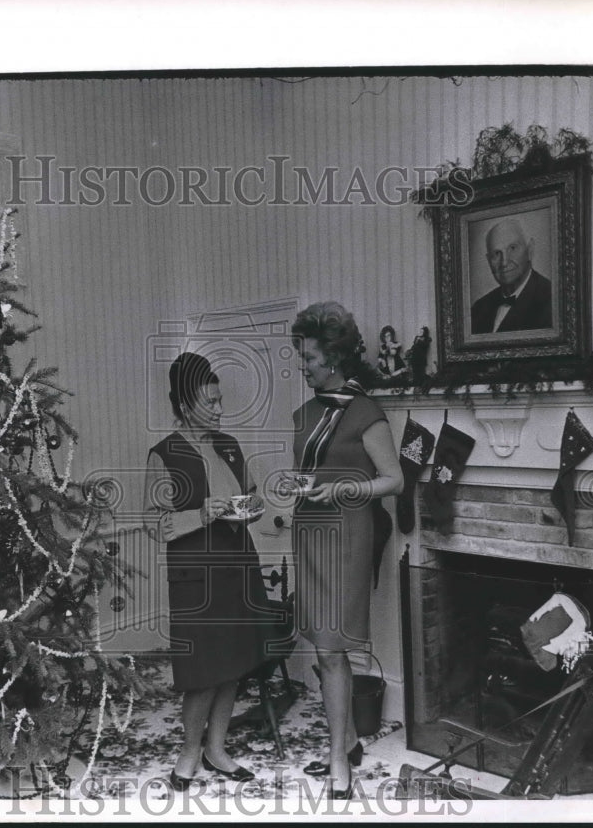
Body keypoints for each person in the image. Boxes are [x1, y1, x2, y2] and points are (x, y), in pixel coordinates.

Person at [285, 302, 404, 799]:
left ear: (333, 357)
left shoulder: (365, 412)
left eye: (309, 357)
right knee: (321, 644)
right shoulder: (305, 413)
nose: (303, 365)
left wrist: (339, 490)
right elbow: (317, 475)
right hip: (310, 535)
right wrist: (301, 486)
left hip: (348, 537)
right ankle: (349, 739)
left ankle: (338, 759)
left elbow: (393, 481)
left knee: (332, 651)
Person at [143, 352, 271, 790]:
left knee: (233, 666)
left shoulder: (229, 446)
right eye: (210, 402)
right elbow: (154, 525)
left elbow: (252, 500)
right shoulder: (163, 455)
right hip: (196, 580)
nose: (219, 409)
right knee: (201, 675)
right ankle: (188, 752)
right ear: (183, 405)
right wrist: (201, 514)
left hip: (237, 570)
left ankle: (217, 750)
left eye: (219, 400)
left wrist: (250, 510)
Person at [470, 218, 552, 334]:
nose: (504, 262)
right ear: (488, 260)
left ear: (530, 250)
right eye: (497, 253)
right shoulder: (478, 309)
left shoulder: (552, 300)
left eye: (512, 248)